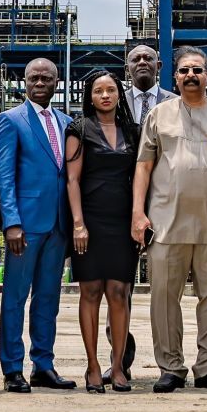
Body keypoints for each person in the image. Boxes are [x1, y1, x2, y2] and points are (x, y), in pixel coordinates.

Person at [133, 45, 207, 392]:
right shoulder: (159, 115)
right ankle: (170, 367)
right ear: (175, 77)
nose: (190, 75)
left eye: (197, 70)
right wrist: (138, 213)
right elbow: (143, 167)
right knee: (163, 299)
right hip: (166, 223)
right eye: (184, 70)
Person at [0, 58, 75, 392]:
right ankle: (12, 368)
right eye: (34, 78)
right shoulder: (11, 120)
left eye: (46, 78)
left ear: (57, 82)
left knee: (48, 298)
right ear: (24, 82)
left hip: (58, 224)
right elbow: (5, 175)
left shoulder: (67, 122)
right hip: (25, 226)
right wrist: (11, 222)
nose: (40, 83)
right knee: (15, 298)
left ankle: (43, 364)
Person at [68, 70, 140, 392]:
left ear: (119, 94)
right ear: (90, 96)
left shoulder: (133, 131)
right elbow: (72, 180)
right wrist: (78, 224)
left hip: (122, 221)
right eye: (99, 91)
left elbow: (140, 176)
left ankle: (118, 366)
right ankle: (93, 366)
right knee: (91, 292)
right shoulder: (80, 129)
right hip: (90, 221)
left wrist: (138, 219)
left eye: (111, 90)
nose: (105, 95)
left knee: (119, 293)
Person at [124, 45, 174, 124]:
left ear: (158, 66)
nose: (142, 62)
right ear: (127, 69)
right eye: (135, 60)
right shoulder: (118, 102)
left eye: (148, 58)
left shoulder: (175, 101)